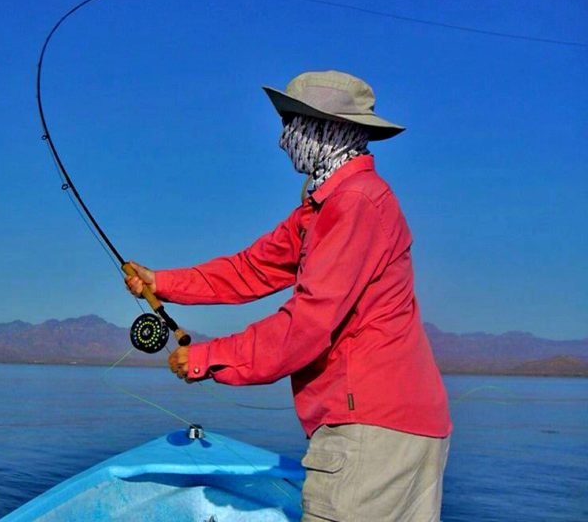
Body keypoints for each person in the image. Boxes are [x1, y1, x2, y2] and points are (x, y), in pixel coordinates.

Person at [124, 70, 452, 521]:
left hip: (371, 429)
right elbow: (250, 269)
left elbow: (307, 325)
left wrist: (207, 358)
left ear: (326, 130)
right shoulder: (325, 206)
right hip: (399, 425)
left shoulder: (354, 204)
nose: (283, 140)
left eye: (292, 124)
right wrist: (160, 282)